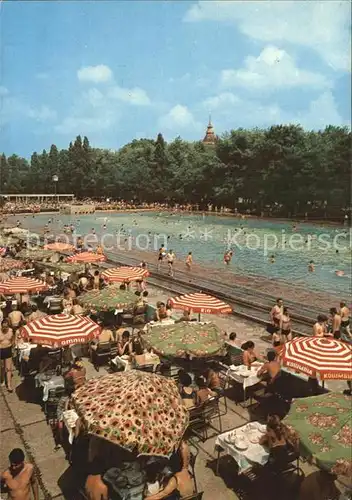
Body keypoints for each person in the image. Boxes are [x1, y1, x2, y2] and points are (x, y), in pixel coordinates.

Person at [0, 320, 14, 392]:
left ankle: (9, 385)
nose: (5, 328)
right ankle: (2, 379)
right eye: (3, 327)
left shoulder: (11, 331)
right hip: (1, 350)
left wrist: (12, 347)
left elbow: (12, 339)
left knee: (8, 368)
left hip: (8, 349)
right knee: (2, 367)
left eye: (6, 327)